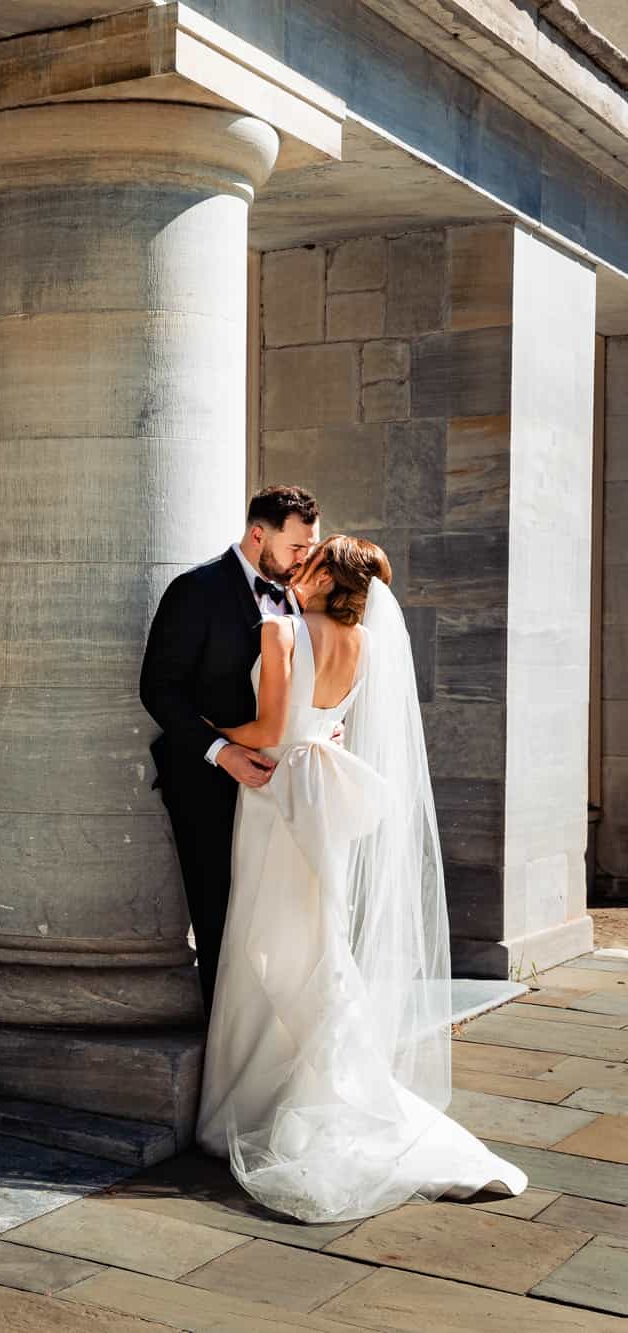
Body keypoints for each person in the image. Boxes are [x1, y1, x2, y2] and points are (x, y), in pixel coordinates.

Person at [194, 535, 525, 1221]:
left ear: (319, 572)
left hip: (276, 795)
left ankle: (260, 1101)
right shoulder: (367, 644)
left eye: (308, 557)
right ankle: (325, 1080)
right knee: (319, 938)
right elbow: (322, 722)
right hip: (325, 799)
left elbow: (269, 727)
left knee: (267, 939)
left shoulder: (283, 629)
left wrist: (207, 725)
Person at [140, 486, 320, 1017]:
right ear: (258, 534)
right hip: (206, 783)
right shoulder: (195, 591)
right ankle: (226, 1045)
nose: (304, 559)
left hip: (278, 785)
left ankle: (269, 1031)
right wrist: (220, 751)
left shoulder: (296, 593)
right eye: (296, 548)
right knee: (220, 918)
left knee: (278, 915)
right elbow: (158, 689)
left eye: (310, 548)